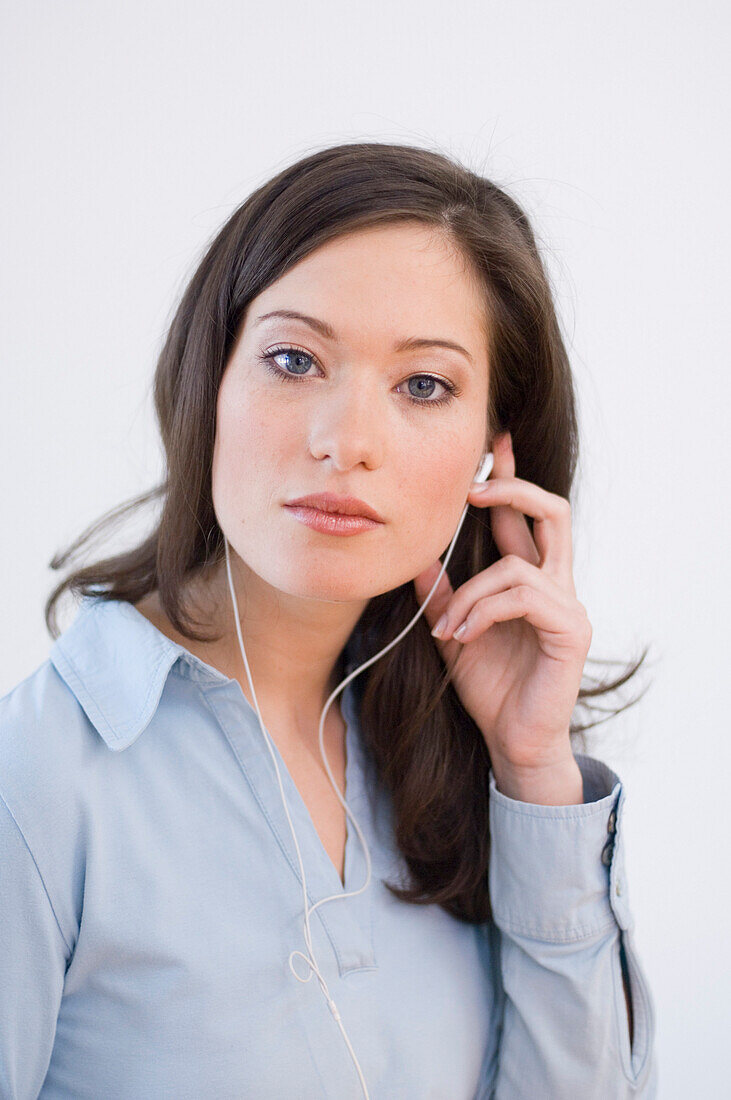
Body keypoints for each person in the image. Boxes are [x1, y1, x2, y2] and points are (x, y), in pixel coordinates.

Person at [0, 141, 657, 1098]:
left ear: (492, 453)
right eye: (294, 359)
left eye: (423, 385)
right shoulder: (41, 780)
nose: (344, 441)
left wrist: (532, 773)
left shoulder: (456, 757)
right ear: (208, 382)